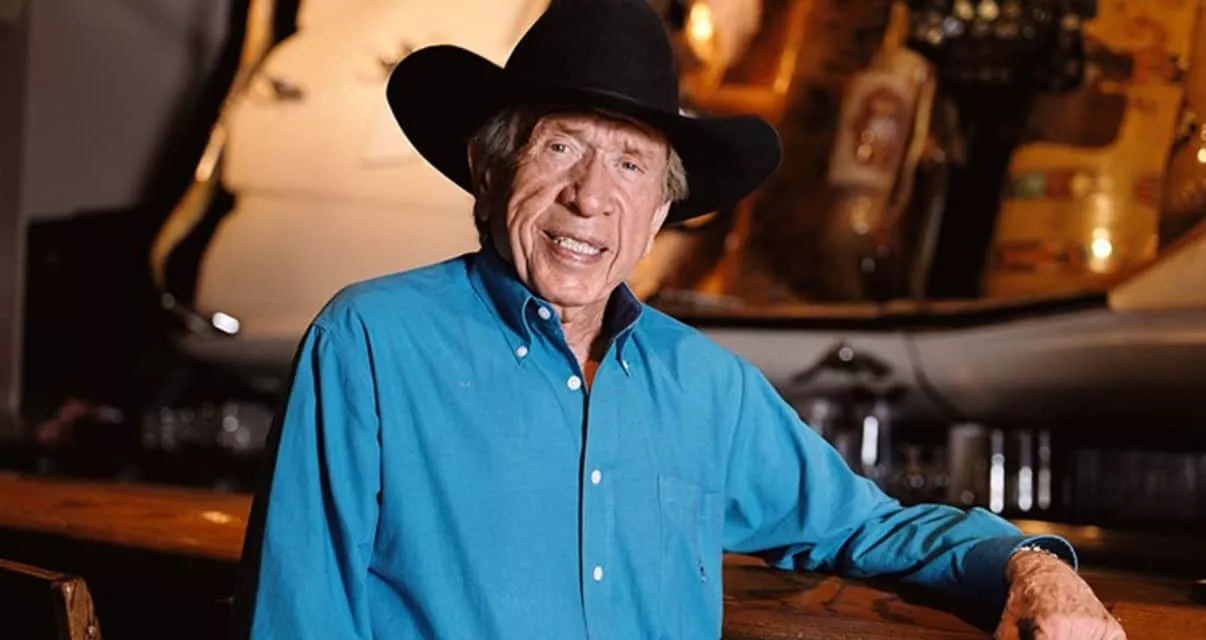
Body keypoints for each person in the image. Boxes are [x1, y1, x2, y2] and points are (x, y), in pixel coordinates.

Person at [233, 1, 1126, 638]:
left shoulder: (707, 385)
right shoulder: (371, 342)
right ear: (489, 166)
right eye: (560, 146)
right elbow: (296, 617)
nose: (590, 196)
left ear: (660, 212)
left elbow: (871, 527)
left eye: (631, 165)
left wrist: (1031, 566)